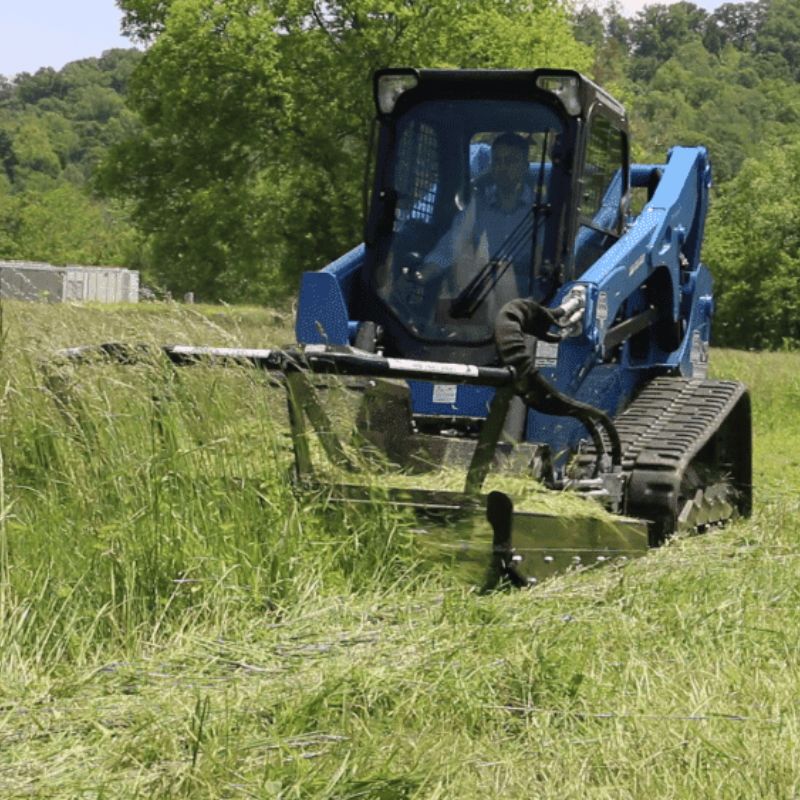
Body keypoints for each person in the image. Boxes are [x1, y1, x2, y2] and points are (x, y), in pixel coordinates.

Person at [417, 131, 550, 327]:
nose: (502, 167)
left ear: (525, 167)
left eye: (510, 161)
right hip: (480, 290)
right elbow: (452, 245)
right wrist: (422, 275)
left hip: (526, 298)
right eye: (497, 161)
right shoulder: (478, 207)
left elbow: (542, 262)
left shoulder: (541, 212)